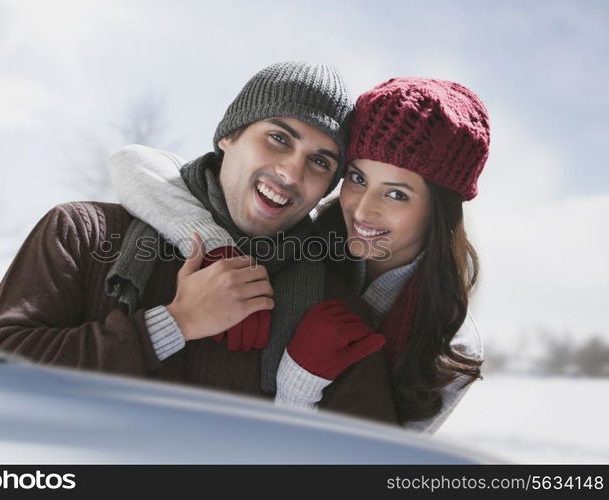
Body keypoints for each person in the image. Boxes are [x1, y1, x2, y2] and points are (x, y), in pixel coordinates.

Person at [0, 61, 398, 425]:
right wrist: (174, 323)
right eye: (278, 138)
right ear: (229, 136)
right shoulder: (84, 234)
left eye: (320, 162)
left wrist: (299, 396)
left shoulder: (334, 311)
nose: (290, 172)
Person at [107, 77, 489, 433]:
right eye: (357, 179)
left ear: (439, 210)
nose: (361, 210)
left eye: (396, 194)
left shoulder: (449, 344)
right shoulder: (300, 236)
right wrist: (210, 243)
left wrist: (299, 387)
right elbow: (137, 164)